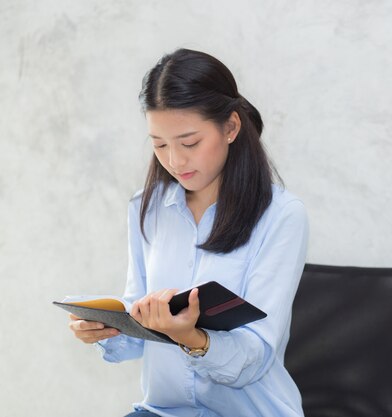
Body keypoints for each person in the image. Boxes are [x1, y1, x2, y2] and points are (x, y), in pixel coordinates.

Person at [68, 48, 308, 417]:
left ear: (230, 127)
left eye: (190, 143)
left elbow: (256, 355)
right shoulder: (144, 208)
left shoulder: (281, 216)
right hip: (164, 411)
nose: (175, 161)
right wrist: (108, 329)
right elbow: (140, 324)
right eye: (160, 144)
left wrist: (192, 339)